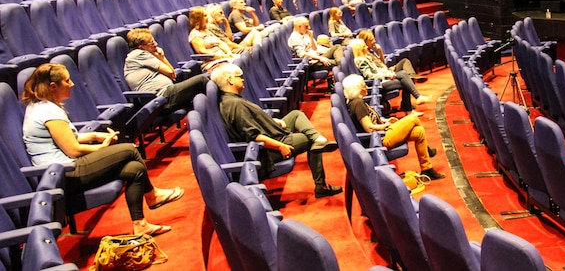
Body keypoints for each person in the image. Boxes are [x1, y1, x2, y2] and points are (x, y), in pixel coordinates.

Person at [22, 63, 184, 236]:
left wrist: (94, 137)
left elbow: (66, 138)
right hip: (64, 174)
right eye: (67, 81)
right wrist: (102, 148)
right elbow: (73, 150)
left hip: (64, 168)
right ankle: (152, 195)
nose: (72, 84)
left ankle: (140, 224)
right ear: (53, 87)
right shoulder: (48, 111)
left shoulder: (43, 106)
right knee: (129, 149)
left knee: (134, 169)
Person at [211, 64, 343, 198]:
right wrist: (281, 146)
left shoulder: (233, 99)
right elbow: (254, 136)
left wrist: (272, 121)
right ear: (230, 80)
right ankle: (321, 185)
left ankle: (318, 138)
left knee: (296, 115)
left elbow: (254, 119)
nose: (243, 79)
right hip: (268, 149)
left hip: (271, 131)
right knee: (308, 140)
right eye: (239, 77)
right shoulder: (235, 105)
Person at [342, 74, 445, 180]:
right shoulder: (358, 104)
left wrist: (385, 121)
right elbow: (369, 128)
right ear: (357, 89)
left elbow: (372, 120)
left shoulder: (356, 102)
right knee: (413, 119)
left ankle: (427, 169)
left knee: (419, 132)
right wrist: (385, 125)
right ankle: (427, 150)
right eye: (363, 86)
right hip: (380, 139)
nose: (366, 87)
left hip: (381, 134)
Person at [124, 28, 209, 111]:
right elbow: (170, 72)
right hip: (160, 98)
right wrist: (162, 57)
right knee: (202, 80)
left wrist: (160, 57)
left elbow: (173, 76)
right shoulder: (139, 54)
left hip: (165, 93)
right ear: (142, 47)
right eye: (152, 43)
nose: (156, 44)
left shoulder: (141, 55)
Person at [350, 40, 430, 116]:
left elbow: (378, 69)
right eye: (364, 46)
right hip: (379, 83)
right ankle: (413, 103)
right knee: (405, 81)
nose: (366, 47)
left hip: (383, 79)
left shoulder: (366, 57)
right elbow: (370, 76)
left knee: (404, 76)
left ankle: (414, 102)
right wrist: (388, 75)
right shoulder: (361, 61)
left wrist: (388, 73)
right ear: (359, 49)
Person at [357, 29, 426, 82]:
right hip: (385, 73)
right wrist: (388, 73)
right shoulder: (365, 55)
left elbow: (382, 63)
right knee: (404, 75)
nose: (374, 41)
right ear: (364, 42)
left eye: (374, 39)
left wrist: (380, 51)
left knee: (405, 61)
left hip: (387, 69)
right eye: (371, 40)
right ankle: (411, 77)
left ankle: (412, 76)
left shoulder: (371, 51)